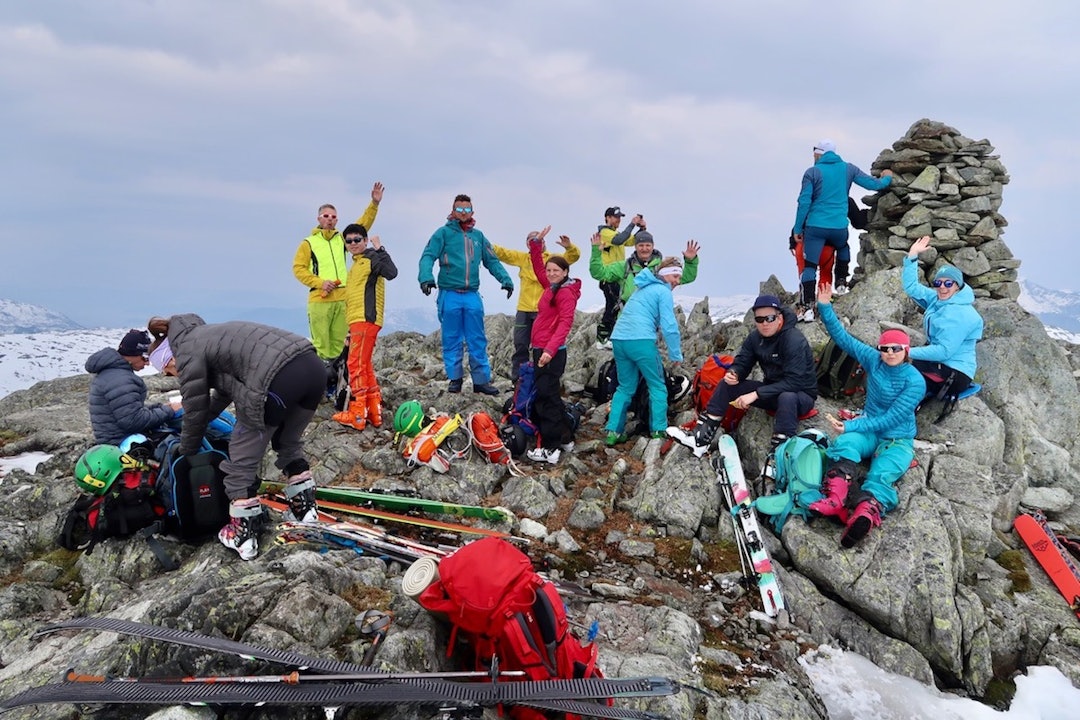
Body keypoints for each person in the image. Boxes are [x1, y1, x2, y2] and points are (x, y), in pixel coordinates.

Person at [147, 314, 324, 561]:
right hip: (312, 368)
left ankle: (242, 536)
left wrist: (187, 449)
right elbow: (222, 392)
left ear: (170, 358)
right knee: (288, 441)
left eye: (168, 371)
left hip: (276, 378)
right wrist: (205, 420)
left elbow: (195, 407)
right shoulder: (204, 337)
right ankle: (304, 511)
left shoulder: (185, 351)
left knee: (241, 457)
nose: (172, 376)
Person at [810, 286, 926, 548]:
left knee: (882, 473)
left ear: (906, 351)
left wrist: (852, 424)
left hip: (898, 439)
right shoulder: (874, 360)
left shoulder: (915, 382)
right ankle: (836, 499)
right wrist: (826, 307)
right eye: (884, 348)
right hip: (869, 432)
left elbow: (892, 419)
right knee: (845, 445)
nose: (889, 353)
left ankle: (864, 514)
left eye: (896, 348)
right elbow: (843, 339)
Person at [689, 295, 817, 452]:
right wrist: (734, 372)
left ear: (779, 317)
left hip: (800, 395)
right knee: (727, 384)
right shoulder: (755, 338)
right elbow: (743, 362)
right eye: (759, 319)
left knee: (787, 396)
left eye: (769, 318)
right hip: (772, 392)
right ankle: (701, 437)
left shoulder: (793, 339)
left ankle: (780, 452)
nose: (764, 323)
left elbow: (795, 382)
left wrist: (757, 394)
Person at [418, 194, 514, 395]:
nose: (463, 213)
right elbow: (428, 256)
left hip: (472, 294)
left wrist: (505, 279)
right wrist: (425, 277)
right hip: (449, 293)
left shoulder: (478, 236)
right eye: (459, 210)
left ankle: (481, 381)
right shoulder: (442, 234)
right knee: (451, 337)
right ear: (453, 211)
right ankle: (455, 378)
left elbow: (492, 261)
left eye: (466, 209)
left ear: (472, 211)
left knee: (477, 338)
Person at [292, 182, 385, 384]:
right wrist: (319, 283)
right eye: (326, 216)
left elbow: (362, 226)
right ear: (319, 218)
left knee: (339, 346)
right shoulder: (309, 243)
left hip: (343, 298)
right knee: (321, 345)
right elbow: (298, 268)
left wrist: (374, 204)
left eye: (333, 217)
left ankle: (336, 384)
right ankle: (318, 384)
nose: (330, 220)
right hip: (319, 300)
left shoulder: (342, 239)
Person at [792, 140, 893, 321]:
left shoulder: (812, 172)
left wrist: (798, 229)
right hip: (838, 226)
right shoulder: (848, 169)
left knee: (810, 267)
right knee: (843, 247)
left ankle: (808, 308)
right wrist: (887, 178)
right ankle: (840, 281)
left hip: (815, 227)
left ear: (819, 154)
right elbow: (873, 185)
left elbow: (804, 202)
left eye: (814, 154)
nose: (813, 157)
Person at [603, 258, 684, 446]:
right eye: (675, 275)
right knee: (657, 385)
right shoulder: (663, 291)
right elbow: (670, 326)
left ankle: (613, 432)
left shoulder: (643, 288)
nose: (677, 281)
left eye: (679, 277)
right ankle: (658, 431)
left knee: (624, 387)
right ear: (664, 274)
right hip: (641, 341)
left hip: (620, 339)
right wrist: (675, 354)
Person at [521, 227, 581, 464]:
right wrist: (536, 244)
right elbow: (537, 267)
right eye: (550, 270)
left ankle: (550, 448)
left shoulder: (565, 294)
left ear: (566, 272)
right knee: (550, 396)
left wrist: (548, 351)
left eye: (557, 270)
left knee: (546, 399)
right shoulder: (551, 287)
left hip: (550, 353)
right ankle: (564, 438)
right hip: (542, 349)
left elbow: (565, 324)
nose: (551, 273)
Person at [331, 223, 398, 431]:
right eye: (349, 241)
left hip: (366, 319)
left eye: (357, 240)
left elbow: (391, 272)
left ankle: (357, 414)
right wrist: (350, 330)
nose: (353, 244)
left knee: (355, 365)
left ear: (365, 240)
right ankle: (374, 411)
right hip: (358, 322)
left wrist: (380, 249)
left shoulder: (370, 259)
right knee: (365, 364)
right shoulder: (357, 264)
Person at [902, 235, 984, 403]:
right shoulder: (938, 299)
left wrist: (906, 352)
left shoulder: (962, 314)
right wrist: (912, 256)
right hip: (940, 364)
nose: (942, 288)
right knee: (897, 365)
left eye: (948, 284)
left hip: (955, 373)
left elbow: (944, 351)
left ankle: (894, 418)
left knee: (901, 370)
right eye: (939, 283)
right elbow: (911, 288)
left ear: (958, 286)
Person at [492, 228, 580, 382]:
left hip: (544, 311)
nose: (551, 272)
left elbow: (572, 257)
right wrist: (483, 243)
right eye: (530, 240)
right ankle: (519, 380)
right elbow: (503, 253)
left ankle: (538, 378)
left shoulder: (553, 260)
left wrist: (569, 246)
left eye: (537, 239)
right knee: (520, 345)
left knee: (540, 346)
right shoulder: (523, 258)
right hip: (524, 308)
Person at [85, 329, 181, 446]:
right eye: (145, 357)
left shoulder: (112, 374)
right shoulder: (121, 380)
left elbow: (127, 410)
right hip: (123, 443)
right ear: (131, 356)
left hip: (116, 438)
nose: (147, 363)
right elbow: (133, 421)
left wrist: (159, 407)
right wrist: (170, 410)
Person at [589, 230, 700, 315]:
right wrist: (596, 252)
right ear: (635, 246)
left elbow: (686, 277)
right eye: (641, 245)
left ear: (653, 246)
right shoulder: (624, 266)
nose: (644, 249)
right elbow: (599, 273)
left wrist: (690, 262)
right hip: (627, 318)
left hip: (652, 320)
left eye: (648, 245)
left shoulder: (661, 267)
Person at [594, 207, 643, 348]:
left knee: (615, 306)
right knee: (613, 307)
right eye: (616, 217)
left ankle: (609, 337)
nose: (618, 220)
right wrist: (632, 224)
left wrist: (642, 228)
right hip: (608, 277)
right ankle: (602, 338)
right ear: (607, 218)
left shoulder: (615, 233)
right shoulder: (604, 232)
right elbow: (619, 240)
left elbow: (632, 240)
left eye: (620, 218)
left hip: (618, 277)